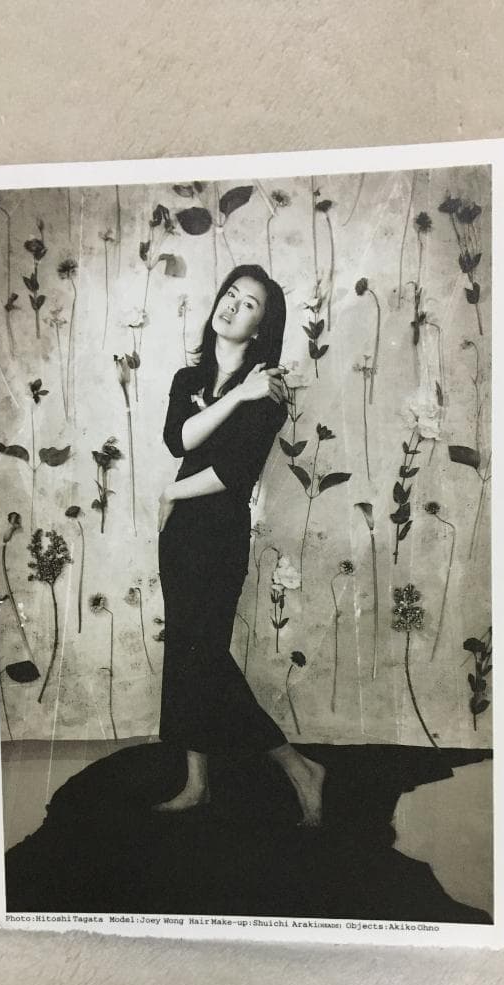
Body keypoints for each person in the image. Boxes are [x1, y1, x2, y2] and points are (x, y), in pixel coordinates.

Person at [154, 264, 325, 826]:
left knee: (205, 656)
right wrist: (233, 397)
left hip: (218, 532)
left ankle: (298, 767)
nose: (231, 305)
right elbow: (178, 438)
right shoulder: (189, 378)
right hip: (179, 534)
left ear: (260, 326)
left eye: (248, 303)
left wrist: (171, 490)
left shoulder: (270, 391)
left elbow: (233, 472)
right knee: (186, 655)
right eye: (230, 293)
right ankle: (197, 782)